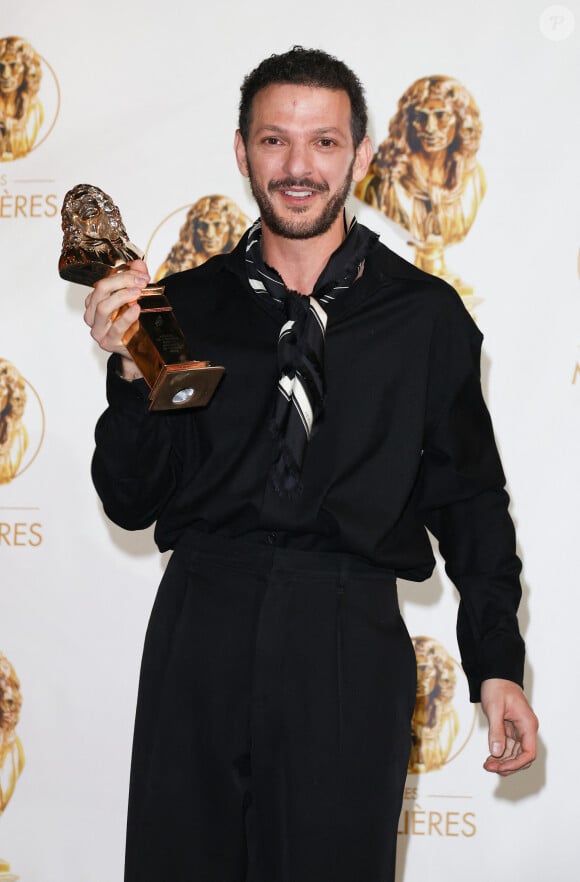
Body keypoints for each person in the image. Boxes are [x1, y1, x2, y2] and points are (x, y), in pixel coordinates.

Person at [83, 47, 538, 882]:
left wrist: (497, 660)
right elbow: (131, 500)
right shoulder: (179, 307)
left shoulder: (423, 317)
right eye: (274, 142)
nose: (299, 167)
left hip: (347, 632)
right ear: (241, 151)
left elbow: (470, 497)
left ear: (361, 155)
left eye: (324, 143)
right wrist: (125, 373)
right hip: (201, 624)